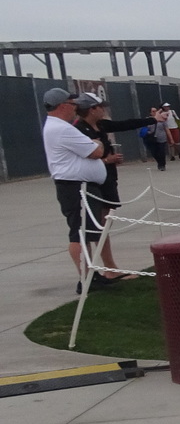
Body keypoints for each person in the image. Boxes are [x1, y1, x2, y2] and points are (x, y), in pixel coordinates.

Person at [41, 87, 119, 289]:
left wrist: (93, 144)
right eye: (73, 104)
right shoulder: (62, 128)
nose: (75, 108)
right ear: (63, 106)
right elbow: (96, 151)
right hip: (75, 186)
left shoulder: (59, 127)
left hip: (81, 185)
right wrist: (95, 143)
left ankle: (91, 273)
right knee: (80, 233)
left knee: (86, 231)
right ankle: (85, 278)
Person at [74, 94, 146, 279]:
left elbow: (124, 124)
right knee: (98, 224)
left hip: (107, 179)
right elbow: (83, 158)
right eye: (100, 106)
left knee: (105, 222)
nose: (104, 110)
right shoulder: (79, 130)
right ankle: (107, 268)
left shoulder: (101, 125)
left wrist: (153, 119)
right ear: (91, 109)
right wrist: (108, 160)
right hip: (94, 183)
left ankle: (110, 266)